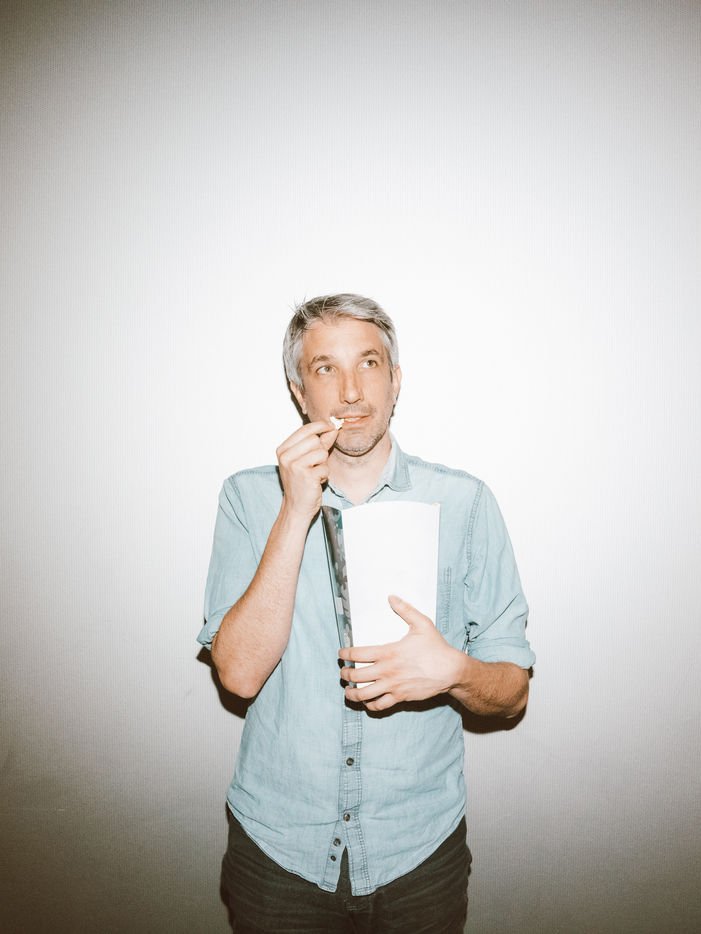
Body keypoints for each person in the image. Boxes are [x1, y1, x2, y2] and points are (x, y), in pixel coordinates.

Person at [199, 293, 535, 933]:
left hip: (419, 854)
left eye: (369, 364)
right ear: (299, 392)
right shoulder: (247, 498)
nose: (351, 391)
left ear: (396, 380)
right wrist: (295, 509)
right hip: (278, 854)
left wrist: (454, 671)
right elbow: (238, 675)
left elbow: (512, 690)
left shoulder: (465, 503)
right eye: (325, 368)